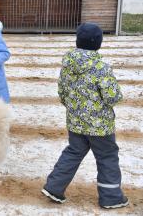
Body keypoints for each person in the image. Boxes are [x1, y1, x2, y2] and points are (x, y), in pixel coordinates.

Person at [41, 23, 128, 209]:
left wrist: (74, 109)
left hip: (75, 122)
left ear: (77, 41)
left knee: (73, 152)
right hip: (100, 126)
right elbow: (112, 97)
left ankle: (54, 187)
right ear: (99, 43)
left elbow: (62, 92)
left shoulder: (68, 65)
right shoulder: (101, 67)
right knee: (107, 156)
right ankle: (111, 197)